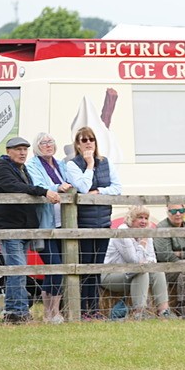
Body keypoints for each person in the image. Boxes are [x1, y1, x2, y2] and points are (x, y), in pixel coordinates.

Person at [0, 136, 61, 323]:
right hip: (10, 228)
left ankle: (16, 311)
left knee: (19, 270)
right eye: (18, 149)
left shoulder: (21, 169)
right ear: (8, 151)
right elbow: (13, 186)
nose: (22, 153)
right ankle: (17, 313)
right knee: (18, 270)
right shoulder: (3, 168)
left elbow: (23, 187)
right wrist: (43, 191)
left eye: (25, 149)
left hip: (21, 228)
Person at [65, 126, 123, 320]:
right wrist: (89, 164)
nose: (88, 142)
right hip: (84, 223)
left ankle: (95, 309)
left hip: (103, 222)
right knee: (85, 267)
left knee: (97, 267)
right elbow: (82, 186)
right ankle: (83, 310)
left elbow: (117, 188)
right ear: (78, 144)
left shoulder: (106, 163)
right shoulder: (72, 165)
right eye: (84, 140)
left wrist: (99, 193)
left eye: (91, 139)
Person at [26, 132, 73, 323]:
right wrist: (57, 186)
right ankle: (49, 312)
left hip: (63, 222)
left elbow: (71, 183)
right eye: (43, 143)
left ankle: (55, 312)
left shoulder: (60, 164)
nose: (48, 145)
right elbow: (39, 185)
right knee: (54, 265)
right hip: (45, 222)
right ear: (37, 147)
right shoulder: (32, 165)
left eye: (51, 142)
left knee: (60, 267)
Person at [103, 205, 174, 319]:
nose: (144, 221)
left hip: (132, 273)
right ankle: (139, 312)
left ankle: (164, 311)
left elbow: (152, 259)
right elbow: (134, 261)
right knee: (141, 272)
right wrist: (143, 244)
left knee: (157, 271)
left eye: (146, 218)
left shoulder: (145, 232)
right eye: (140, 217)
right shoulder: (123, 232)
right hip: (112, 275)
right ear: (131, 219)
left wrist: (144, 261)